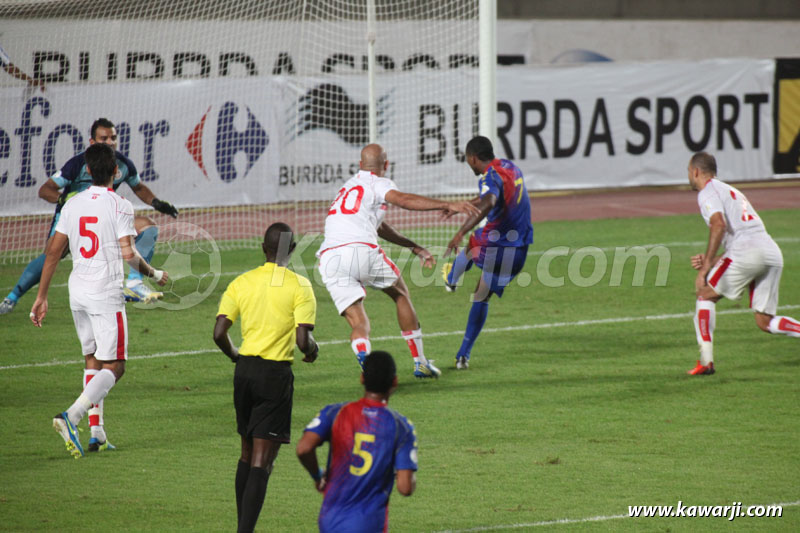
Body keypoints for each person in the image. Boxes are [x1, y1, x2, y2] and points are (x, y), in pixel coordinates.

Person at [30, 143, 168, 457]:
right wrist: (154, 273)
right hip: (105, 294)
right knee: (116, 365)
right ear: (116, 172)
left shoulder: (72, 204)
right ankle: (71, 416)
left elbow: (53, 253)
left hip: (76, 291)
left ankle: (97, 433)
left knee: (92, 358)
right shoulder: (120, 205)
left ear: (88, 170)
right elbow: (129, 254)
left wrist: (41, 296)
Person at [317, 143, 479, 378]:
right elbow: (402, 199)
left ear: (360, 165)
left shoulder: (347, 187)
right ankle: (420, 362)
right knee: (400, 294)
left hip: (329, 257)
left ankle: (362, 350)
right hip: (361, 249)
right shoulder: (379, 183)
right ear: (386, 165)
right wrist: (446, 203)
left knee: (358, 322)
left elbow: (379, 226)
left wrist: (413, 247)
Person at [1, 117, 178, 314]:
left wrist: (156, 203)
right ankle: (12, 298)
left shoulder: (123, 163)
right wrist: (64, 199)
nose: (110, 142)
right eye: (104, 138)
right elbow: (45, 190)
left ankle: (134, 284)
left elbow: (138, 187)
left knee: (148, 226)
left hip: (103, 214)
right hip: (73, 216)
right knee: (53, 253)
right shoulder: (77, 163)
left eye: (113, 137)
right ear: (92, 142)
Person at [213, 222, 319, 533]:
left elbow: (219, 333)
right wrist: (313, 351)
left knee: (245, 454)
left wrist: (236, 356)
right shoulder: (300, 286)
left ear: (264, 248)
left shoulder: (241, 282)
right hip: (275, 375)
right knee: (262, 461)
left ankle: (241, 526)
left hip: (244, 370)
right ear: (294, 249)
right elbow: (303, 341)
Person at [686, 152, 800, 375]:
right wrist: (714, 258)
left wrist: (707, 265)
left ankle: (706, 362)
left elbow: (718, 225)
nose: (689, 176)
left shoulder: (707, 192)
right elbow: (743, 237)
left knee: (704, 294)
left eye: (689, 172)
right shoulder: (729, 190)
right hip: (770, 251)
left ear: (696, 171)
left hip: (747, 250)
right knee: (765, 322)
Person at [296, 350, 417, 533]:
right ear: (394, 382)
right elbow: (405, 487)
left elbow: (303, 448)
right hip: (369, 523)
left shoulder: (335, 412)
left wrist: (317, 476)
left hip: (330, 520)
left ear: (362, 379)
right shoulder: (401, 426)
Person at [442, 136, 533, 369]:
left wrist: (460, 231)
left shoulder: (489, 177)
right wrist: (463, 205)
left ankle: (451, 277)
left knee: (472, 244)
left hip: (496, 245)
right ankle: (463, 355)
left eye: (467, 160)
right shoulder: (510, 167)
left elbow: (489, 200)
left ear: (473, 158)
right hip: (519, 250)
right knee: (481, 294)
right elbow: (490, 197)